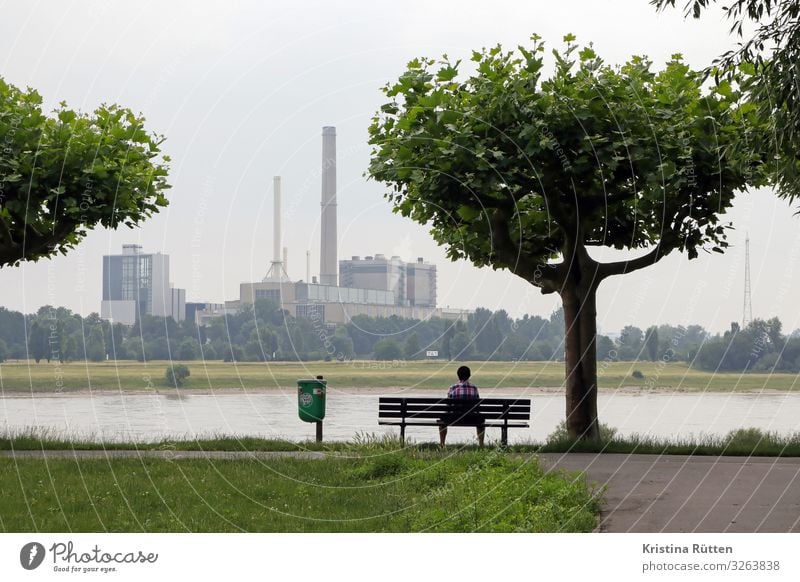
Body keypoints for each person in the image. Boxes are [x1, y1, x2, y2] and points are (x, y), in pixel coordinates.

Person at [439, 365, 485, 447]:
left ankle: (442, 444)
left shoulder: (453, 388)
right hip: (471, 418)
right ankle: (481, 445)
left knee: (442, 420)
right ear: (469, 376)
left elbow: (448, 405)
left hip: (454, 418)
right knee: (480, 420)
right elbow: (477, 405)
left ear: (458, 376)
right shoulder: (474, 388)